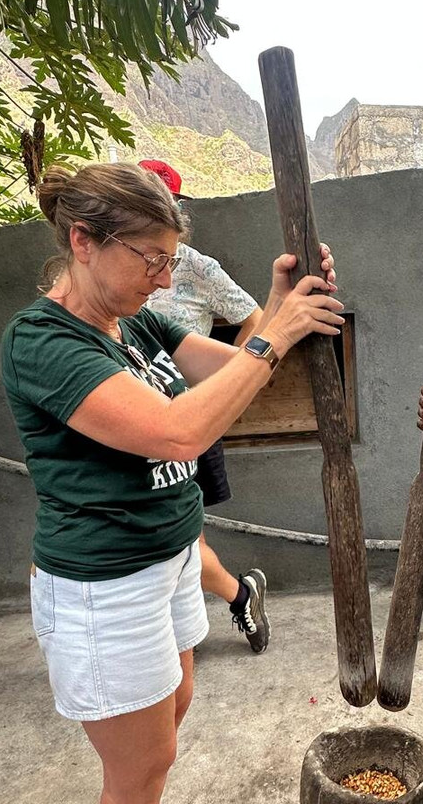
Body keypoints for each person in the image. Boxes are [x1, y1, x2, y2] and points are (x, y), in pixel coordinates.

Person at [0, 162, 343, 804]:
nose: (163, 279)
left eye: (170, 261)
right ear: (83, 241)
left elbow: (234, 367)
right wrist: (279, 334)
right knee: (141, 768)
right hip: (108, 580)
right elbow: (175, 432)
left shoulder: (135, 323)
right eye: (151, 260)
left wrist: (278, 300)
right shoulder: (41, 340)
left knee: (172, 721)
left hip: (174, 557)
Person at [138, 159, 271, 653]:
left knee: (181, 534)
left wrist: (227, 381)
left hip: (184, 416)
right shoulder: (113, 306)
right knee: (174, 536)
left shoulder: (195, 267)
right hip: (137, 420)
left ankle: (230, 600)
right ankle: (237, 596)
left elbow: (254, 317)